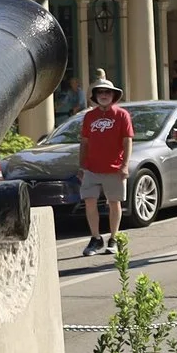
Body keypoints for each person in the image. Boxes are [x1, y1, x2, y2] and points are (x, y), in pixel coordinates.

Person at [76, 72, 134, 257]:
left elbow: (127, 141)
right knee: (89, 202)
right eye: (100, 92)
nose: (103, 95)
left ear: (113, 95)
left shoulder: (122, 115)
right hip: (92, 168)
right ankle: (95, 238)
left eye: (107, 92)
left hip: (114, 168)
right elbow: (84, 142)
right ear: (95, 96)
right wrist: (81, 166)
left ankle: (113, 238)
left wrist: (125, 165)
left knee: (114, 203)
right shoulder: (89, 117)